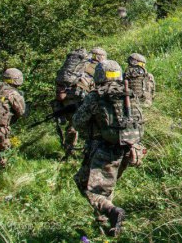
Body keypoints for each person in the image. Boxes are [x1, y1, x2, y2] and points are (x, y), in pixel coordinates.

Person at [73, 60, 144, 237]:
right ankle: (108, 227)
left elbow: (77, 122)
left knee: (89, 188)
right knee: (104, 187)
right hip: (129, 149)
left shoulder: (96, 96)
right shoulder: (128, 93)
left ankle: (112, 212)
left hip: (104, 150)